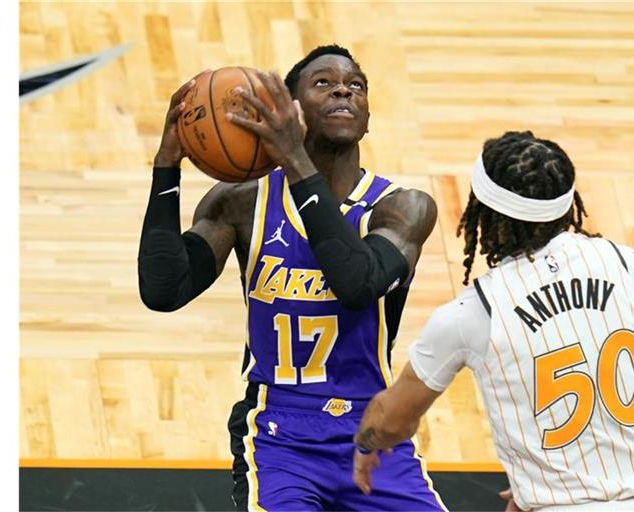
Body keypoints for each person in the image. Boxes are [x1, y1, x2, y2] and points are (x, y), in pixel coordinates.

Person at [138, 45, 446, 511]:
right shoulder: (242, 203)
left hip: (372, 429)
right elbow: (163, 291)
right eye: (323, 82)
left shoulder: (402, 207)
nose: (344, 88)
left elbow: (356, 284)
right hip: (278, 434)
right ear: (291, 110)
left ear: (367, 117)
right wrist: (166, 166)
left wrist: (294, 157)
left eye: (355, 85)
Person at [352, 131, 634, 511]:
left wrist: (366, 444)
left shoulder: (474, 312)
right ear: (569, 206)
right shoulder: (627, 264)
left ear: (479, 211)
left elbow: (391, 421)